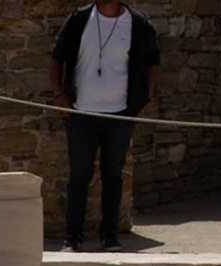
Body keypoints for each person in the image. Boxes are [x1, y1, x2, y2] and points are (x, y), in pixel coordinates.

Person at [49, 2, 160, 252]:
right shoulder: (79, 20)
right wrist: (59, 96)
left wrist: (145, 97)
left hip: (119, 115)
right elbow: (57, 57)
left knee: (113, 175)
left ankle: (109, 235)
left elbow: (153, 61)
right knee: (79, 176)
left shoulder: (138, 23)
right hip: (81, 113)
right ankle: (73, 237)